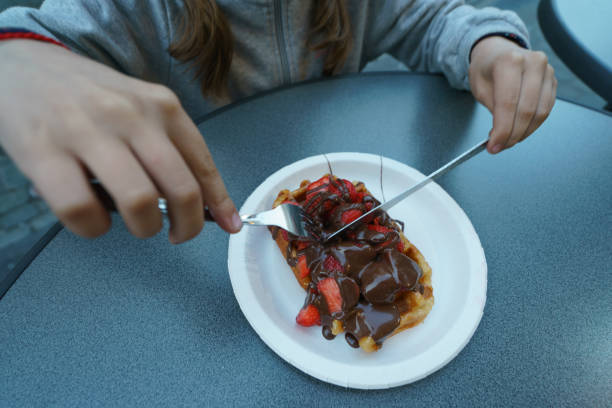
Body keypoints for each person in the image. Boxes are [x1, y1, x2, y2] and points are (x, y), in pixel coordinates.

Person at [0, 0, 557, 244]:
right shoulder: (128, 10)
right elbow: (42, 40)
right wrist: (18, 58)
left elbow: (432, 17)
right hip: (199, 231)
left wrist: (487, 45)